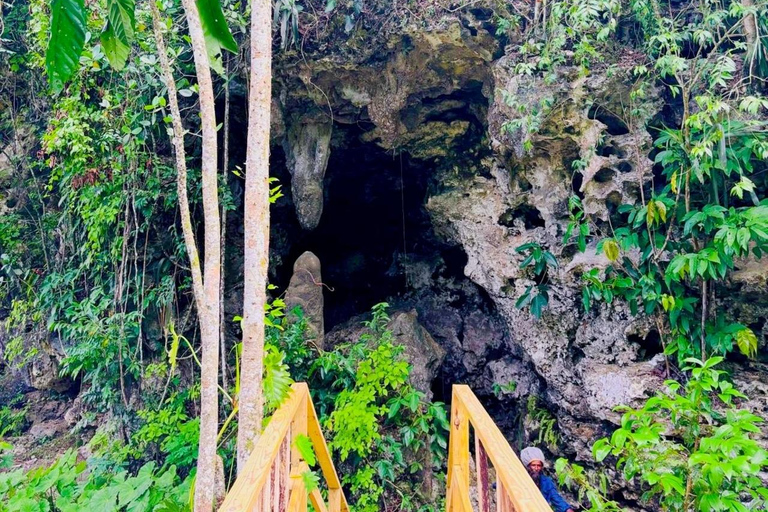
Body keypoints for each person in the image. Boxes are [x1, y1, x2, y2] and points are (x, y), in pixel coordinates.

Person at [520, 446, 575, 512]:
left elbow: (555, 497)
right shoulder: (521, 480)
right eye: (533, 465)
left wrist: (567, 509)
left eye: (539, 465)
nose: (536, 468)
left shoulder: (546, 482)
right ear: (528, 466)